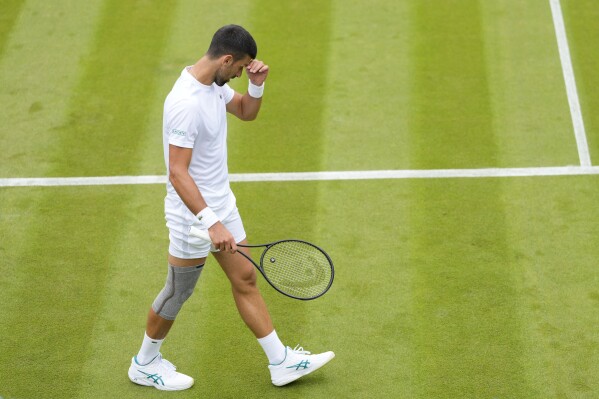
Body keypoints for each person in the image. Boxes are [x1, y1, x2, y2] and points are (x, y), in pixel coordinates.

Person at [127, 24, 335, 391]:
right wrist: (211, 223)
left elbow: (245, 110)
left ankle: (281, 362)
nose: (240, 73)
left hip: (221, 206)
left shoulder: (212, 87)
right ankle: (144, 364)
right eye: (240, 68)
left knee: (245, 278)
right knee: (178, 291)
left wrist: (257, 84)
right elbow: (177, 173)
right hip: (192, 217)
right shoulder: (185, 104)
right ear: (226, 59)